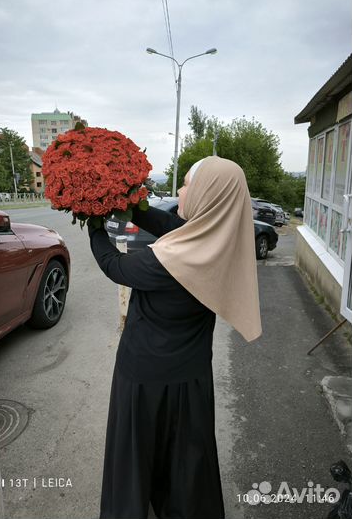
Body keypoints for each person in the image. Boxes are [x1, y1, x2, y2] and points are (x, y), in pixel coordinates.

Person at [88, 156, 262, 519]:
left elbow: (114, 265)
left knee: (136, 460)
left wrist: (93, 223)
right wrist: (131, 204)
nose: (180, 190)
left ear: (208, 195)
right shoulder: (219, 239)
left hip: (144, 377)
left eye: (187, 185)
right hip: (192, 377)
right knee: (185, 462)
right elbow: (169, 223)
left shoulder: (169, 260)